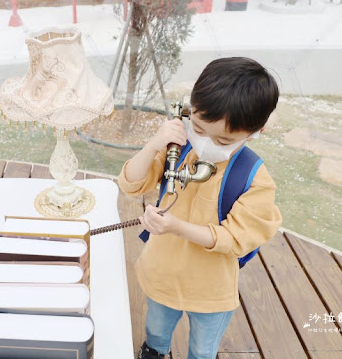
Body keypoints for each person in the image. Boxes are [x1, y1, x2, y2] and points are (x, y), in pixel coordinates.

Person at [117, 57, 282, 359]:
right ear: (189, 110)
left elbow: (234, 238)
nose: (206, 143)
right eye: (199, 128)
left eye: (223, 139)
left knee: (202, 351)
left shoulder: (254, 178)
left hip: (210, 291)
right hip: (162, 273)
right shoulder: (177, 148)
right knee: (155, 334)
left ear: (257, 131)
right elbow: (131, 183)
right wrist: (154, 144)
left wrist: (176, 227)